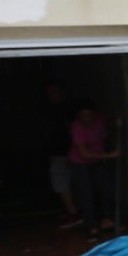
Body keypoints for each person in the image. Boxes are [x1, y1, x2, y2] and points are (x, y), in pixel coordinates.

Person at [69, 100, 121, 240]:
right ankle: (92, 227)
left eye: (89, 115)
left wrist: (115, 121)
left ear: (94, 114)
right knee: (86, 194)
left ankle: (106, 220)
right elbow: (83, 153)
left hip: (98, 161)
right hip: (80, 163)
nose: (87, 118)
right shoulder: (77, 128)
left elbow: (107, 123)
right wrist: (110, 155)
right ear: (79, 117)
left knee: (105, 189)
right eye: (83, 116)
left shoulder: (99, 119)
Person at [43, 82, 80, 228]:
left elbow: (71, 133)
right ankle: (72, 211)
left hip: (65, 153)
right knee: (63, 183)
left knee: (63, 183)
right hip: (58, 153)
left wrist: (69, 152)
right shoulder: (52, 111)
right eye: (49, 93)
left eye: (54, 92)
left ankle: (74, 214)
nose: (51, 96)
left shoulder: (66, 112)